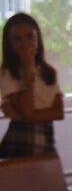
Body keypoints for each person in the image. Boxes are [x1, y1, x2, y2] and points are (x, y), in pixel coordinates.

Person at [0, 13, 64, 157]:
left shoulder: (48, 72)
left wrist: (22, 115)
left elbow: (58, 113)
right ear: (10, 44)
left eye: (30, 36)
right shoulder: (7, 73)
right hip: (19, 139)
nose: (25, 43)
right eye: (18, 39)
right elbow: (27, 108)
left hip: (46, 137)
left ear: (37, 38)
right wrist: (27, 67)